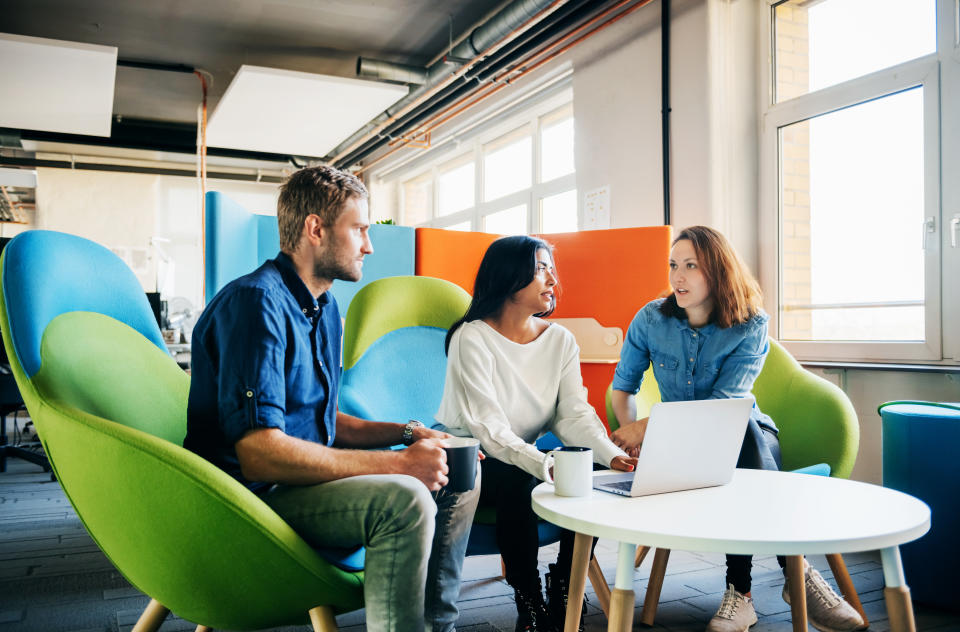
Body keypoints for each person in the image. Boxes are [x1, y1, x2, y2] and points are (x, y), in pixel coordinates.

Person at [185, 165, 480, 632]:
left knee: (456, 470)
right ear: (316, 229)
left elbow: (321, 420)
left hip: (297, 485)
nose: (370, 244)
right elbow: (261, 454)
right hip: (249, 502)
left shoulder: (323, 307)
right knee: (404, 499)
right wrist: (400, 465)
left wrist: (409, 435)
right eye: (359, 229)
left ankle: (432, 625)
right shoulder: (255, 304)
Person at [609, 226, 863, 632]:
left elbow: (725, 407)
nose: (678, 277)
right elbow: (622, 389)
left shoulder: (750, 323)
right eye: (674, 265)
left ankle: (740, 593)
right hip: (681, 445)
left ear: (718, 271)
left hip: (748, 438)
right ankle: (798, 574)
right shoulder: (651, 320)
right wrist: (633, 433)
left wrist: (648, 425)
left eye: (691, 266)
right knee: (740, 440)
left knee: (741, 429)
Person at [435, 235, 637, 632]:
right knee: (518, 478)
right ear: (509, 277)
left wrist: (608, 453)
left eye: (550, 269)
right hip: (469, 457)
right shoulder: (471, 337)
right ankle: (529, 601)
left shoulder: (559, 340)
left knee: (593, 472)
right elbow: (488, 430)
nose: (552, 280)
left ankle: (565, 580)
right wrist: (543, 463)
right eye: (540, 268)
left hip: (522, 454)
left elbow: (574, 413)